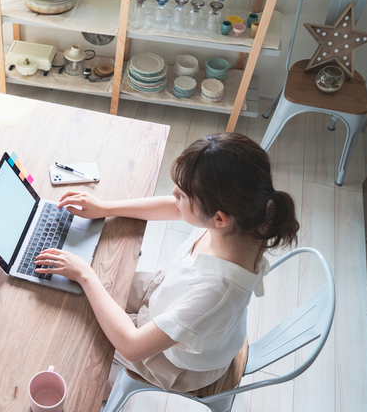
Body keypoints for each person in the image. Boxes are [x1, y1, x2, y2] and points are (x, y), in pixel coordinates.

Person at [34, 133, 300, 392]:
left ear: (219, 219)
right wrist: (106, 208)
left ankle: (103, 387)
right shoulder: (246, 219)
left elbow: (132, 345)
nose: (173, 194)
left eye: (182, 195)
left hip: (178, 362)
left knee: (78, 322)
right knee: (89, 287)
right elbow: (173, 207)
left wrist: (86, 275)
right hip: (171, 298)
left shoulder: (216, 291)